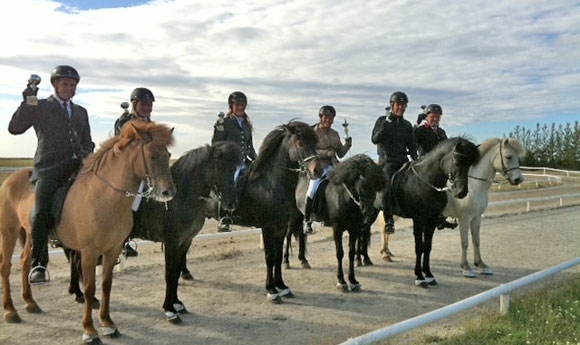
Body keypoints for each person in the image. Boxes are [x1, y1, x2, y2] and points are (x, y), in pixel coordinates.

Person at [8, 65, 95, 284]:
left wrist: (86, 155)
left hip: (77, 168)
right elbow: (15, 128)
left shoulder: (80, 112)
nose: (70, 88)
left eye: (73, 85)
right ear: (55, 85)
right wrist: (28, 101)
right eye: (65, 84)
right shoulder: (40, 106)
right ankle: (39, 263)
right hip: (49, 168)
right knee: (40, 210)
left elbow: (88, 141)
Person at [113, 87, 155, 256]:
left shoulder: (151, 124)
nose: (147, 108)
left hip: (147, 168)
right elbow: (123, 147)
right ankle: (123, 239)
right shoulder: (124, 122)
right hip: (128, 169)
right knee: (135, 198)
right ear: (135, 104)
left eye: (149, 105)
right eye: (144, 104)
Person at [371, 91, 418, 234]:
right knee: (387, 186)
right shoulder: (382, 120)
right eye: (399, 104)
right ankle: (389, 220)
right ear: (392, 105)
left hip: (404, 161)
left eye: (404, 105)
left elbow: (412, 146)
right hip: (388, 162)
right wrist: (383, 127)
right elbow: (374, 139)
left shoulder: (407, 125)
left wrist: (417, 160)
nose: (401, 107)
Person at [211, 91, 257, 232]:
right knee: (234, 181)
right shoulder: (223, 123)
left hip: (244, 161)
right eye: (237, 105)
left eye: (242, 105)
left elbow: (249, 146)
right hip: (229, 163)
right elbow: (216, 144)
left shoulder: (246, 124)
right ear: (231, 106)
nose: (240, 107)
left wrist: (257, 159)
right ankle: (224, 217)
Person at [302, 105, 352, 234]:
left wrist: (347, 145)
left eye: (330, 118)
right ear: (321, 117)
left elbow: (340, 153)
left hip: (334, 166)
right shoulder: (313, 132)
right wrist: (326, 153)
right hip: (318, 166)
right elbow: (310, 151)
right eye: (326, 117)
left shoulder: (335, 134)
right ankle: (307, 220)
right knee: (312, 191)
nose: (328, 120)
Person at [414, 104, 457, 230]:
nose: (435, 119)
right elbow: (411, 140)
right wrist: (416, 124)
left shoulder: (442, 132)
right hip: (425, 166)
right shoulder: (421, 130)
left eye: (438, 117)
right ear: (427, 117)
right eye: (432, 117)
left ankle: (444, 216)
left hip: (440, 167)